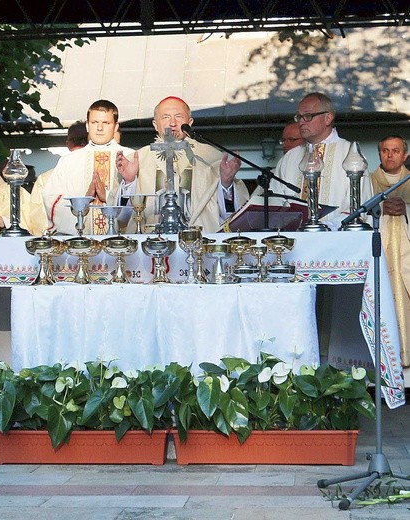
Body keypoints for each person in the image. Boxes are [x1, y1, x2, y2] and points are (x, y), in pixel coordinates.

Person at [129, 96, 249, 231]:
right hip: (152, 242)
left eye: (178, 116)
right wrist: (129, 181)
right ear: (155, 124)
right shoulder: (138, 158)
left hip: (199, 240)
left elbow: (229, 214)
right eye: (165, 117)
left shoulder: (211, 157)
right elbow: (123, 216)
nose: (172, 123)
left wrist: (226, 183)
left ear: (190, 122)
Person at [271, 92, 372, 227]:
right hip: (294, 238)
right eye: (299, 117)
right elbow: (275, 202)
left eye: (308, 116)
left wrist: (324, 229)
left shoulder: (351, 153)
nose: (301, 121)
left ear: (328, 118)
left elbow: (360, 204)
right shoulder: (289, 158)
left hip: (337, 238)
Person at [41, 100, 138, 235]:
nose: (99, 128)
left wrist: (109, 197)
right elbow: (51, 198)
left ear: (116, 127)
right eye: (94, 123)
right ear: (87, 126)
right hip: (80, 243)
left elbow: (140, 202)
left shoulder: (130, 157)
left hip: (120, 242)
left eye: (106, 123)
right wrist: (83, 201)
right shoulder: (69, 161)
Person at [369, 135, 410, 366]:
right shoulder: (368, 181)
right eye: (385, 150)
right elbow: (356, 210)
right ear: (380, 154)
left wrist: (407, 210)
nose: (390, 155)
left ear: (405, 155)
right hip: (381, 254)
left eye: (396, 150)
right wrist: (379, 208)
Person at [28, 121, 88, 234]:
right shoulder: (104, 170)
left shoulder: (46, 178)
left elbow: (38, 219)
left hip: (60, 240)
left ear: (68, 143)